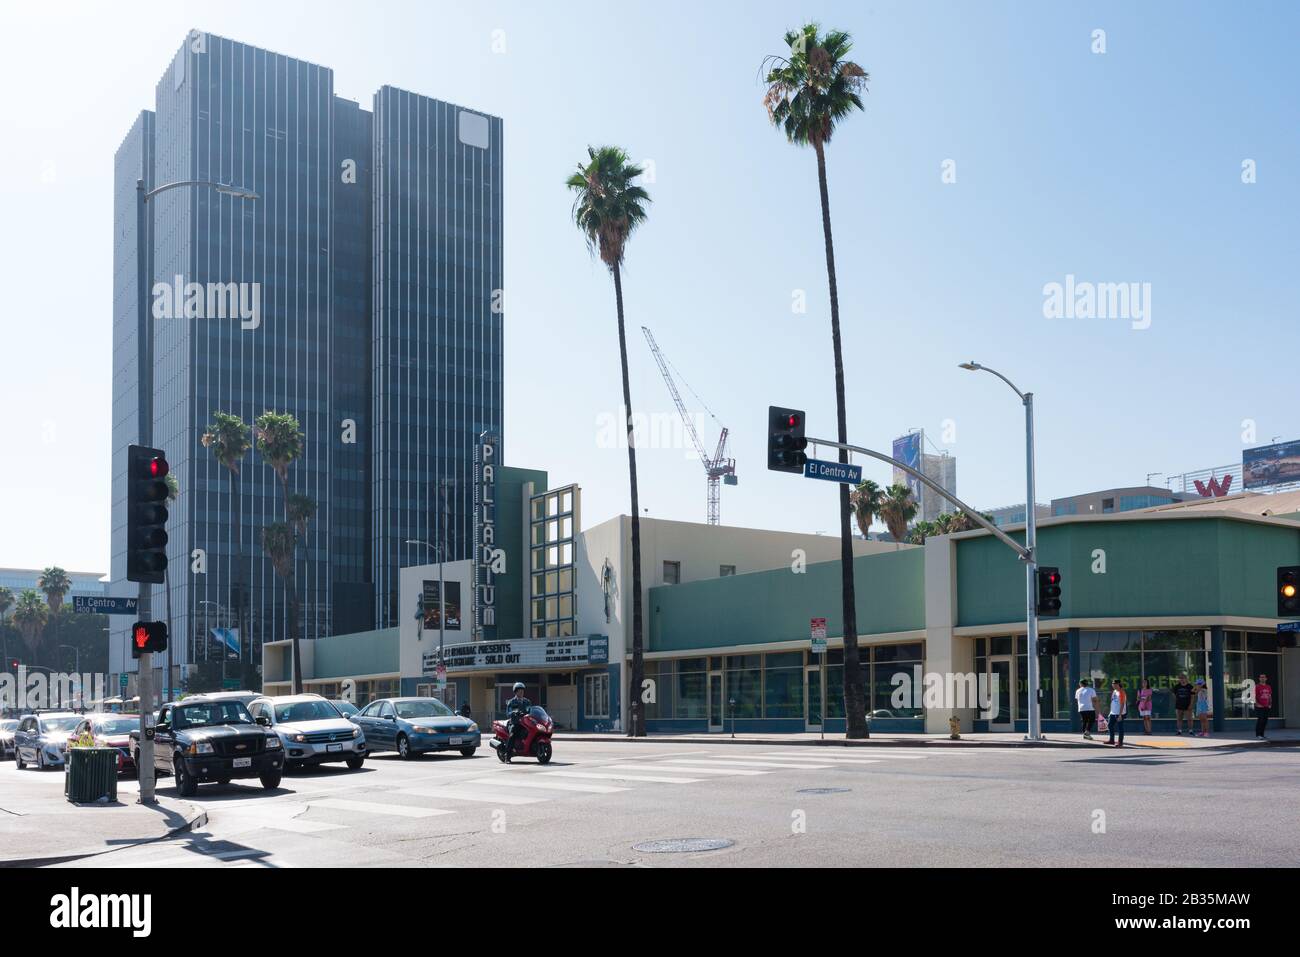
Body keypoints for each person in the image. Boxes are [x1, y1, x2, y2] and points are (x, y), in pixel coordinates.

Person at [503, 682, 531, 762]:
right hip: (515, 723)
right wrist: (513, 712)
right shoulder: (511, 702)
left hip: (525, 724)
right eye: (519, 690)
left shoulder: (527, 701)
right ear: (515, 692)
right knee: (512, 735)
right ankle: (507, 756)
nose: (521, 692)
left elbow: (530, 710)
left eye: (522, 690)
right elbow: (508, 713)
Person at [1107, 679, 1127, 748]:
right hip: (1113, 712)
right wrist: (1110, 712)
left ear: (1119, 684)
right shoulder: (1114, 691)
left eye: (1115, 684)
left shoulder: (1121, 692)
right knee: (1109, 725)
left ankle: (1120, 743)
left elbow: (1122, 704)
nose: (1113, 685)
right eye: (1113, 684)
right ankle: (1111, 740)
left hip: (1119, 713)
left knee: (1120, 728)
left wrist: (1120, 715)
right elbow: (1112, 702)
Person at [1254, 674, 1273, 740]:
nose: (1262, 678)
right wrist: (1257, 704)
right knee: (1260, 720)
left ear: (1266, 679)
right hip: (1259, 706)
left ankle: (1262, 734)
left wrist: (1270, 704)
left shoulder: (1268, 686)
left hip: (1266, 706)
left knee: (1265, 721)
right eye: (1261, 677)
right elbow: (1254, 696)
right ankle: (1258, 734)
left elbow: (1270, 696)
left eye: (1263, 677)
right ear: (1259, 679)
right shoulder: (1257, 686)